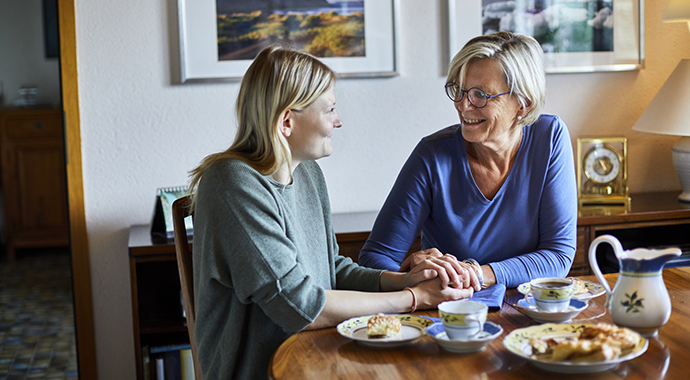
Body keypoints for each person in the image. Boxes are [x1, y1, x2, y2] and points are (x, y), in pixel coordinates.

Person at [187, 45, 474, 380]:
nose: (338, 121)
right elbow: (300, 306)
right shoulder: (232, 183)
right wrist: (412, 297)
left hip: (320, 357)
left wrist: (405, 279)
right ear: (287, 121)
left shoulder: (307, 173)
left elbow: (331, 270)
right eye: (330, 110)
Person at [358, 31, 578, 290]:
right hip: (450, 315)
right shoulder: (432, 155)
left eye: (480, 95)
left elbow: (558, 255)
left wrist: (477, 274)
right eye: (459, 91)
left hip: (526, 310)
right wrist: (409, 275)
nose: (463, 106)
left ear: (523, 104)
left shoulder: (549, 137)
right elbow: (373, 259)